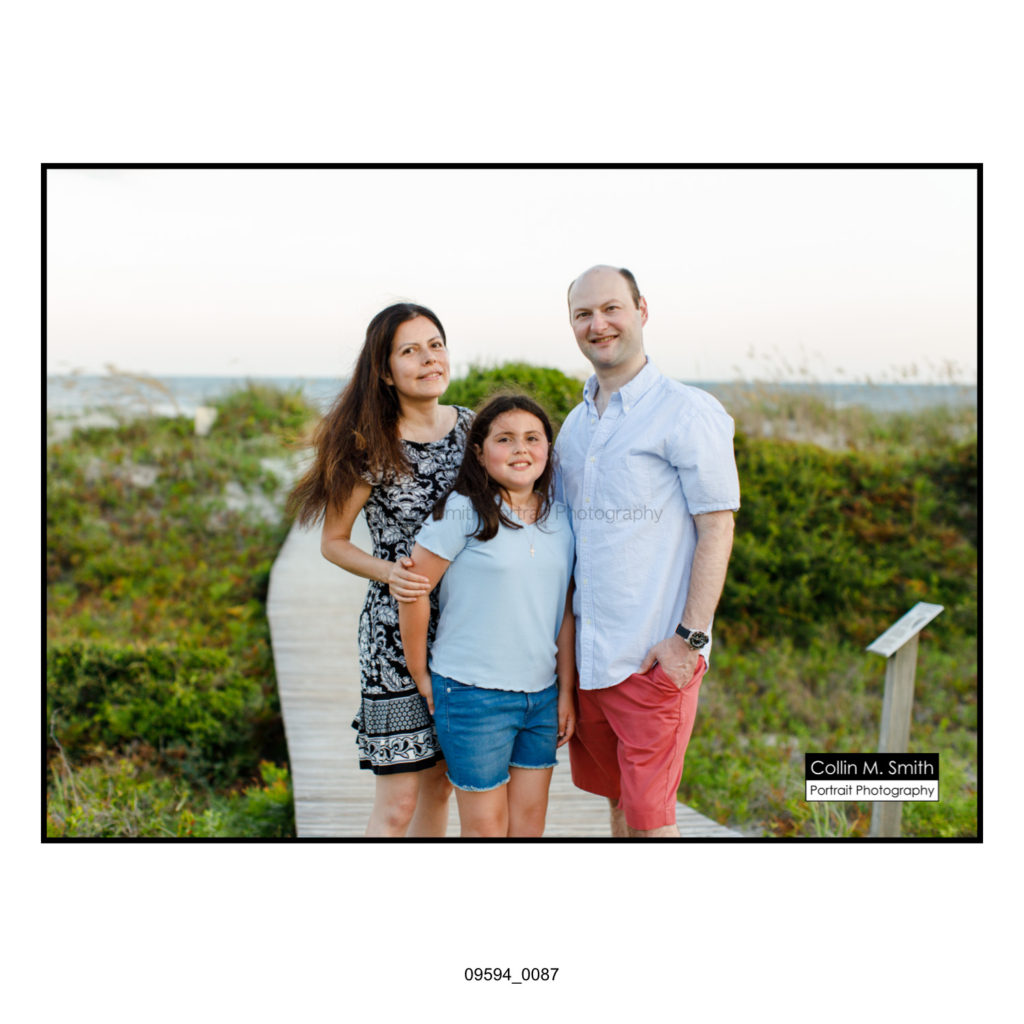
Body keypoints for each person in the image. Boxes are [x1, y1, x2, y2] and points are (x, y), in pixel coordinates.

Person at [555, 265, 740, 838]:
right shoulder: (573, 426)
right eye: (583, 314)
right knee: (618, 806)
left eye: (611, 308)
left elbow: (717, 527)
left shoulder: (688, 412)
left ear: (641, 310)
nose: (598, 324)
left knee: (651, 821)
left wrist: (689, 640)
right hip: (590, 663)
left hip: (653, 660)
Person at [287, 303, 473, 837]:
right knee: (397, 803)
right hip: (393, 636)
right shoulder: (370, 444)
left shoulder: (472, 428)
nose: (428, 359)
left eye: (435, 345)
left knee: (440, 784)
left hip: (467, 628)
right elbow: (334, 542)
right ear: (386, 371)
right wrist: (388, 571)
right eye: (410, 351)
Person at [398, 394, 576, 837]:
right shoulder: (462, 510)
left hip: (541, 696)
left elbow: (565, 612)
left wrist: (566, 692)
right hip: (472, 693)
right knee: (485, 831)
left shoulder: (563, 517)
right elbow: (413, 591)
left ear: (548, 449)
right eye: (505, 439)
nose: (521, 449)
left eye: (533, 438)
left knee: (529, 828)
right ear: (479, 452)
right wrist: (420, 673)